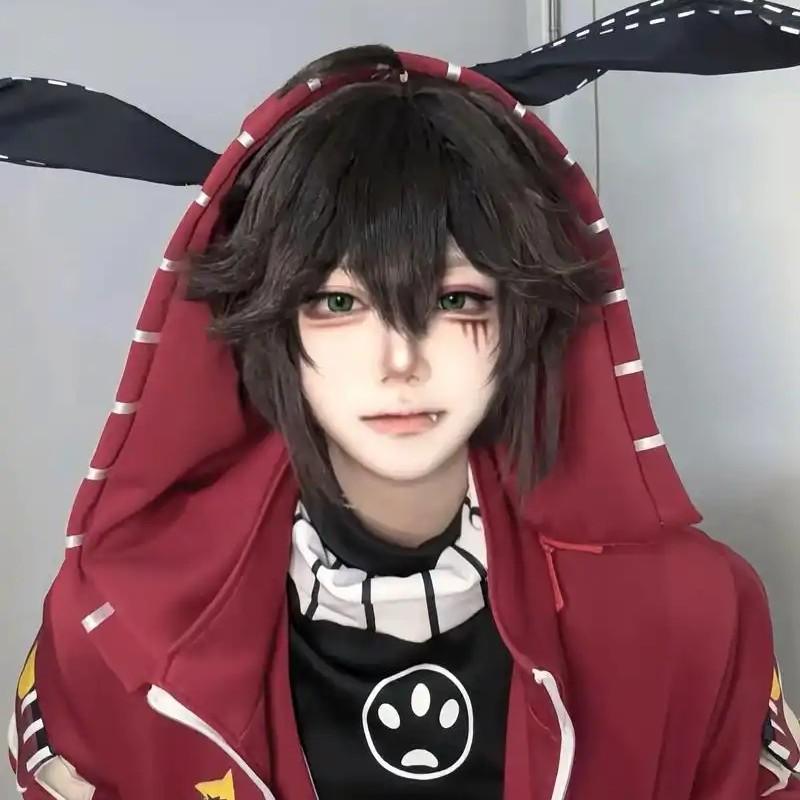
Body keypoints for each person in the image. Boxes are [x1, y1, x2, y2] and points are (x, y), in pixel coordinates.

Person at [7, 44, 799, 800]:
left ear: (525, 316)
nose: (400, 359)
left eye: (455, 300)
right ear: (267, 322)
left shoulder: (696, 610)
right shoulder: (110, 622)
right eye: (338, 302)